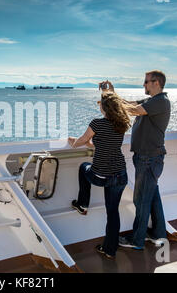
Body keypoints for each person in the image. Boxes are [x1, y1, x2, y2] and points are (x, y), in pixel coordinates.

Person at [101, 70, 171, 250]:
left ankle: (137, 240)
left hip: (149, 158)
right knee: (152, 197)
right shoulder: (151, 101)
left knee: (141, 200)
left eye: (146, 82)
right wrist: (112, 93)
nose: (144, 84)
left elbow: (132, 110)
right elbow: (128, 104)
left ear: (157, 83)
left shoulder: (160, 102)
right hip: (147, 157)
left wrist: (108, 101)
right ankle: (158, 233)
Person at [68, 91, 130, 259]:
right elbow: (104, 143)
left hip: (101, 176)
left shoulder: (97, 124)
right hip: (120, 175)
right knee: (113, 212)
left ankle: (82, 204)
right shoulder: (121, 123)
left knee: (84, 167)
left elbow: (80, 141)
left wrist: (73, 142)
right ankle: (110, 250)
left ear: (104, 107)